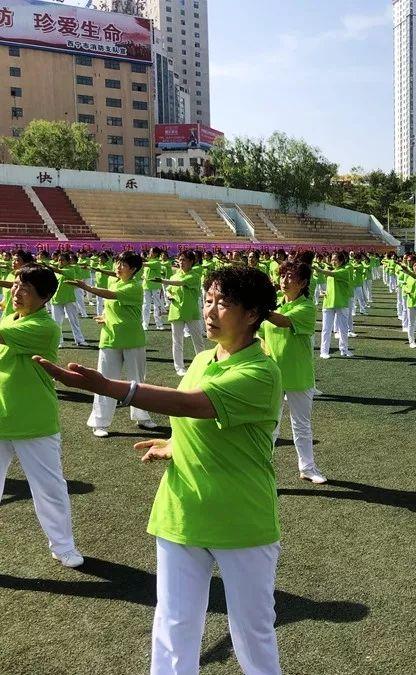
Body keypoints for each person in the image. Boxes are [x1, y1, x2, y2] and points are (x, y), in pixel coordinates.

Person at [37, 265, 284, 674]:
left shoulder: (260, 372)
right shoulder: (204, 358)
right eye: (207, 300)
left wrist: (110, 387)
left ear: (253, 313)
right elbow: (198, 421)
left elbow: (193, 405)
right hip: (180, 511)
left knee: (252, 631)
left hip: (241, 519)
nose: (210, 310)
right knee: (173, 623)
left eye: (223, 302)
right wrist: (173, 444)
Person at [0, 264, 83, 568]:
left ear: (46, 297)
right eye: (16, 285)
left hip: (33, 421)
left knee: (49, 489)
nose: (17, 292)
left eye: (26, 289)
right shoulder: (11, 318)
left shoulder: (43, 327)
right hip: (2, 417)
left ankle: (63, 546)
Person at [73, 252, 156, 438]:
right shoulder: (115, 281)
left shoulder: (135, 286)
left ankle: (142, 417)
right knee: (104, 380)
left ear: (133, 269)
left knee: (137, 380)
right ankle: (100, 422)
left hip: (133, 339)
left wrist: (86, 287)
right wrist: (105, 317)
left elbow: (109, 295)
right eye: (117, 263)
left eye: (123, 265)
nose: (118, 267)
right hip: (110, 338)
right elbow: (113, 307)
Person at [260, 260, 326, 483]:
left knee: (301, 425)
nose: (284, 280)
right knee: (270, 426)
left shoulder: (307, 307)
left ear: (303, 283)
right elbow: (259, 332)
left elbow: (283, 322)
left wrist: (258, 308)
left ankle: (307, 468)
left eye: (290, 277)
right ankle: (262, 470)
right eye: (282, 276)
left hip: (298, 375)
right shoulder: (277, 304)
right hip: (273, 374)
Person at [156, 250, 205, 376]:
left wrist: (163, 281)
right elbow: (169, 290)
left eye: (184, 260)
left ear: (191, 262)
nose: (181, 262)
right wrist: (169, 294)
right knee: (177, 340)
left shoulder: (194, 276)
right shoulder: (174, 275)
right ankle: (179, 367)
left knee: (197, 340)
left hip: (191, 312)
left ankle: (202, 364)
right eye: (180, 259)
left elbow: (180, 283)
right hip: (176, 312)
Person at [316, 251, 353, 359]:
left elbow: (332, 274)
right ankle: (324, 351)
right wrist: (325, 292)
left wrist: (319, 270)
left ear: (341, 261)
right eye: (332, 259)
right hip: (328, 303)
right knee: (326, 329)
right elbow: (331, 286)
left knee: (343, 329)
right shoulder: (332, 272)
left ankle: (344, 349)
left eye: (335, 260)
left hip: (341, 303)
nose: (333, 261)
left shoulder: (345, 271)